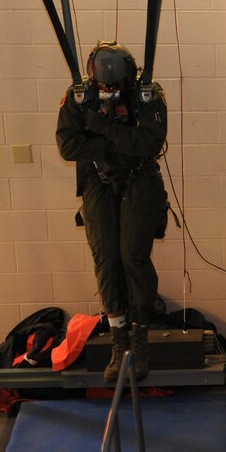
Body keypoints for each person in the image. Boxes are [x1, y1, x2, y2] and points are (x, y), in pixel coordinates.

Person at [56, 40, 168, 381]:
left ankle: (140, 340)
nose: (109, 92)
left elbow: (150, 143)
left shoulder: (147, 95)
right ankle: (119, 342)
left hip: (139, 177)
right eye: (104, 87)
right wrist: (118, 139)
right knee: (106, 256)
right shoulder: (80, 97)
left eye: (115, 87)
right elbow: (68, 144)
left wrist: (102, 128)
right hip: (98, 177)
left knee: (132, 255)